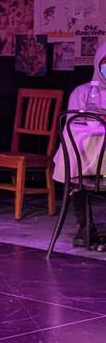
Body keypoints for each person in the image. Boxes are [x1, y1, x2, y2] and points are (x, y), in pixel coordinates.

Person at [65, 41, 106, 245]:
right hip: (89, 155)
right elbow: (72, 127)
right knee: (77, 170)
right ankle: (85, 226)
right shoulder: (82, 93)